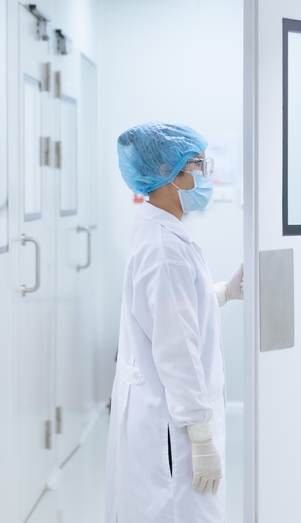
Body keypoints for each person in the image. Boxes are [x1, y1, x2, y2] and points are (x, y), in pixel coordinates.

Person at [106, 122, 243, 523]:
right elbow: (176, 352)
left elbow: (172, 317)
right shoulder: (165, 248)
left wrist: (224, 292)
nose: (205, 174)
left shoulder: (160, 231)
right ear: (168, 171)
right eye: (197, 164)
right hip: (173, 434)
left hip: (165, 421)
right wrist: (201, 440)